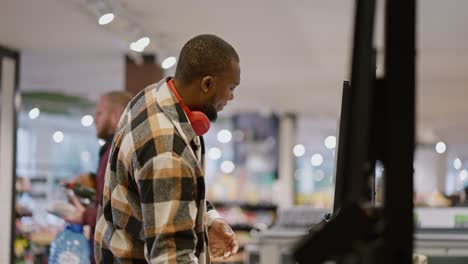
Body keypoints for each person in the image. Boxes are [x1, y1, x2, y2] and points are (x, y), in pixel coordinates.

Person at [94, 34, 241, 263]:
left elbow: (167, 193)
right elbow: (171, 257)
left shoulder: (152, 96)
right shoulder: (167, 152)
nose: (231, 96)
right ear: (207, 84)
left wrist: (208, 219)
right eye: (231, 87)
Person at [64, 91, 133, 264]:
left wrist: (84, 215)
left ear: (116, 115)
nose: (95, 119)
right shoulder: (114, 149)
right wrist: (91, 180)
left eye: (99, 113)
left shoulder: (118, 152)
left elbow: (119, 210)